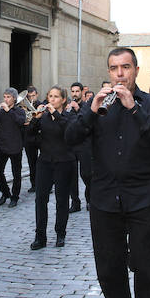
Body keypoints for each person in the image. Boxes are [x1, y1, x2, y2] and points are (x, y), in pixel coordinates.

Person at [65, 47, 150, 298]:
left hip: (141, 198)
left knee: (145, 263)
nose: (120, 73)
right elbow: (71, 137)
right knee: (110, 267)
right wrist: (90, 110)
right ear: (109, 72)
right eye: (114, 68)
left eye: (126, 67)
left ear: (136, 70)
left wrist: (134, 109)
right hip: (104, 199)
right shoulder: (97, 105)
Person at [27, 86, 76, 249]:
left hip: (64, 162)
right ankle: (40, 236)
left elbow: (69, 131)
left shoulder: (69, 117)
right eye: (50, 96)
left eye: (56, 97)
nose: (52, 99)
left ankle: (60, 234)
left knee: (62, 200)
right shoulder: (44, 117)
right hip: (45, 162)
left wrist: (55, 114)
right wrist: (36, 118)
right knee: (40, 200)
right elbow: (29, 136)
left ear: (63, 100)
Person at [0, 87, 26, 207]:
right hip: (2, 146)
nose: (5, 99)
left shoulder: (19, 111)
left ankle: (15, 197)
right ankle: (5, 193)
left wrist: (9, 110)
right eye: (4, 97)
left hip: (15, 146)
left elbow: (20, 121)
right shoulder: (1, 112)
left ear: (14, 98)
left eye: (8, 97)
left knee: (16, 174)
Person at [66, 82, 92, 212]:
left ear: (82, 92)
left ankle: (89, 199)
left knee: (86, 174)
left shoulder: (87, 106)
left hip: (84, 145)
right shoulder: (69, 107)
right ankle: (75, 202)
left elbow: (88, 122)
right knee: (71, 176)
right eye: (73, 91)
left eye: (77, 91)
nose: (75, 94)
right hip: (72, 146)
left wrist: (77, 109)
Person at [22, 86, 40, 194]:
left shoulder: (42, 105)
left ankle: (47, 183)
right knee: (31, 163)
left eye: (33, 96)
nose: (31, 98)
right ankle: (34, 184)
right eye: (29, 96)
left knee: (44, 162)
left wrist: (33, 120)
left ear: (37, 95)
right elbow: (23, 122)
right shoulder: (24, 107)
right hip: (29, 138)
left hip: (40, 137)